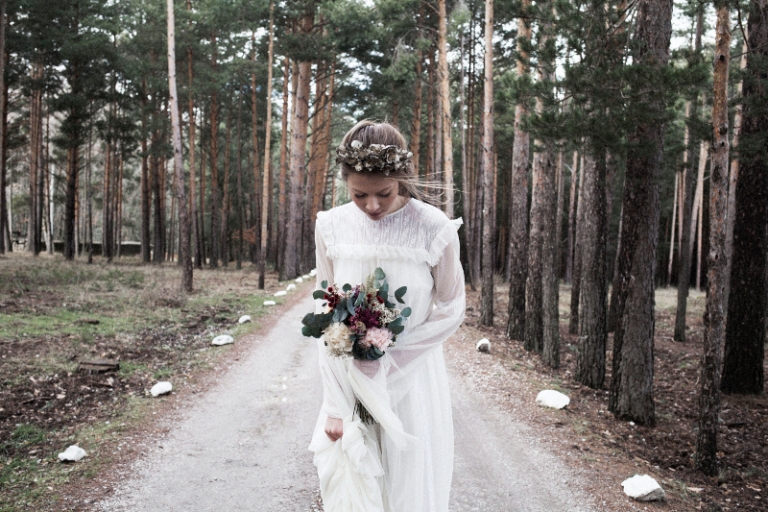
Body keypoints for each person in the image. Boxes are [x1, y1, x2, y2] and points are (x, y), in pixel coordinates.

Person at [308, 120, 466, 511]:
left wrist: (391, 363)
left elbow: (451, 308)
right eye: (360, 195)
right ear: (345, 182)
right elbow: (325, 311)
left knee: (408, 488)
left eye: (384, 193)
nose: (373, 206)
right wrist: (334, 404)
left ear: (402, 180)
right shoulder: (331, 226)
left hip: (412, 384)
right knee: (353, 487)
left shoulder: (434, 229)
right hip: (348, 384)